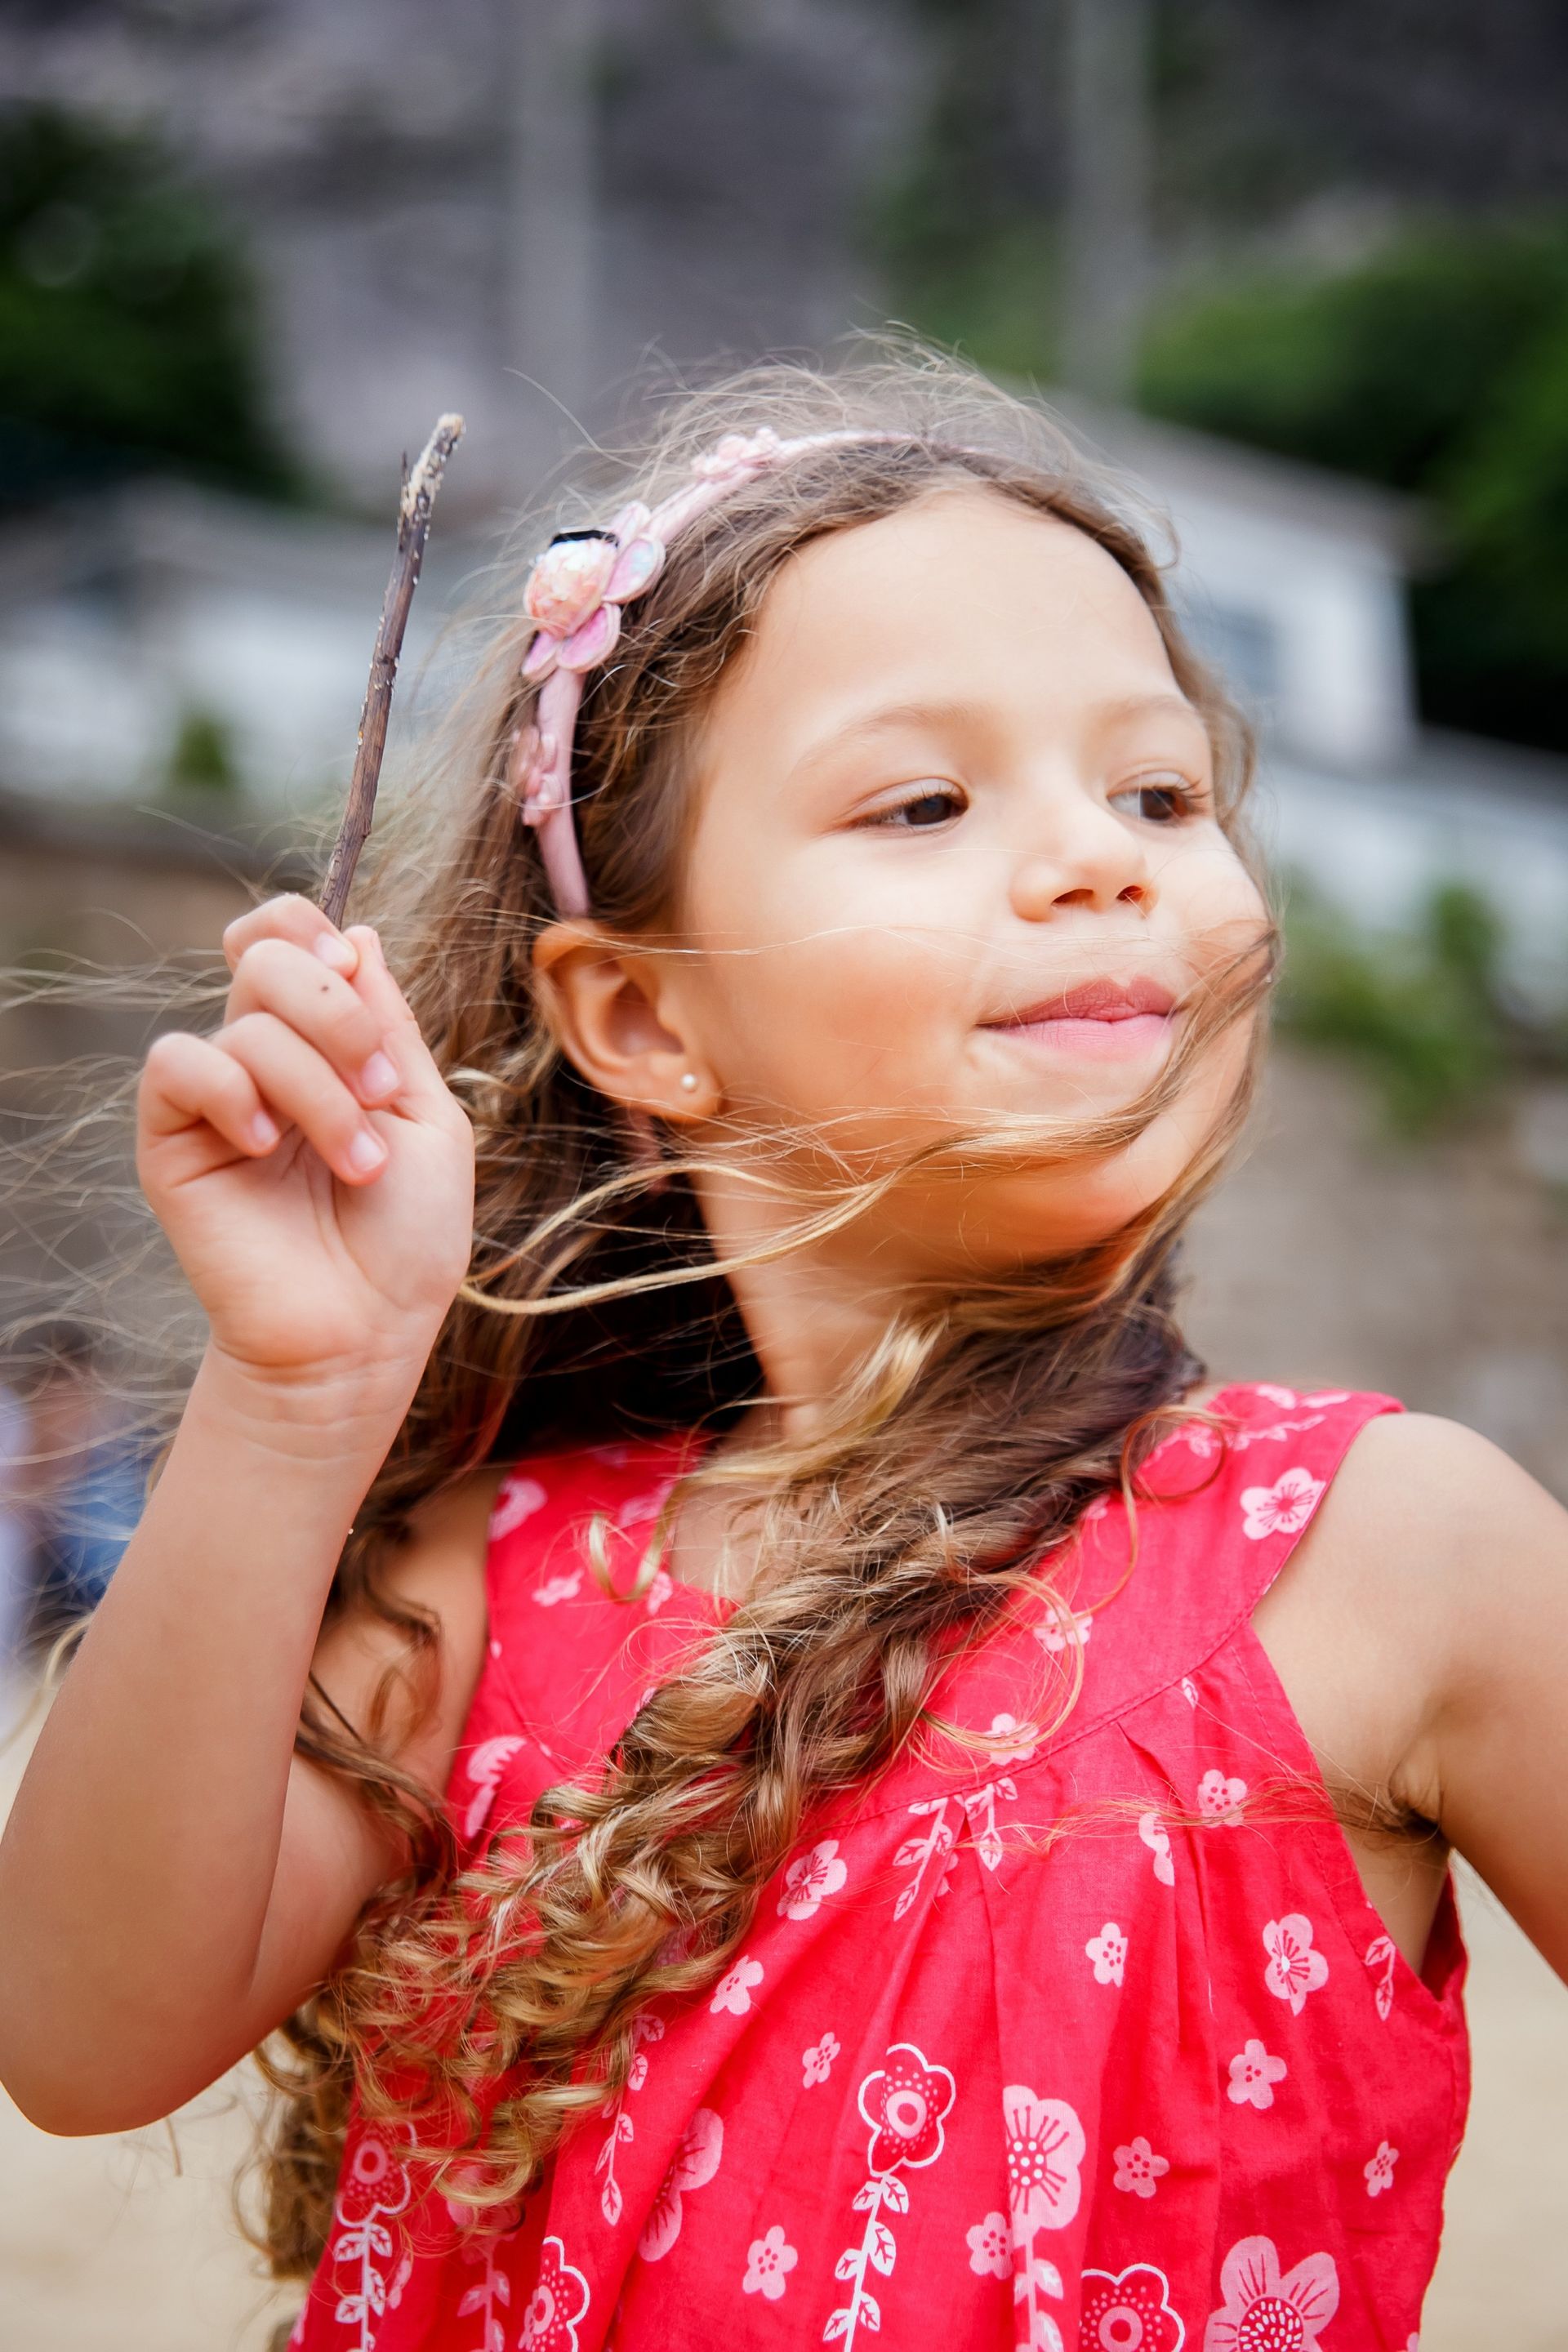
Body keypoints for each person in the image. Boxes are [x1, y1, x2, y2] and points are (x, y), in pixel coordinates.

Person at [0, 353, 1563, 2352]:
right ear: (645, 1021)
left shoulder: (1398, 1557)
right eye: (924, 799)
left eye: (1161, 790)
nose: (1106, 855)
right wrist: (296, 1389)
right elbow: (78, 2033)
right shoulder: (480, 1584)